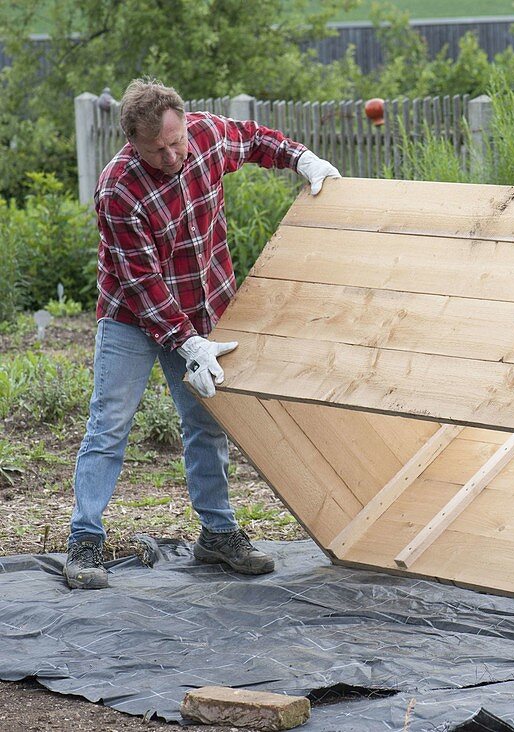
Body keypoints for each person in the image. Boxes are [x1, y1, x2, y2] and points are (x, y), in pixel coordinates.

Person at [63, 78, 341, 590]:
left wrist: (302, 159)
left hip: (204, 306)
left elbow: (255, 139)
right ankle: (84, 541)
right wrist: (187, 343)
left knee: (206, 423)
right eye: (156, 149)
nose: (170, 156)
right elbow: (142, 283)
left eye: (176, 142)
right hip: (133, 318)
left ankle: (217, 535)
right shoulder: (118, 188)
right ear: (133, 143)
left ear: (184, 124)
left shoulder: (207, 135)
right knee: (110, 425)